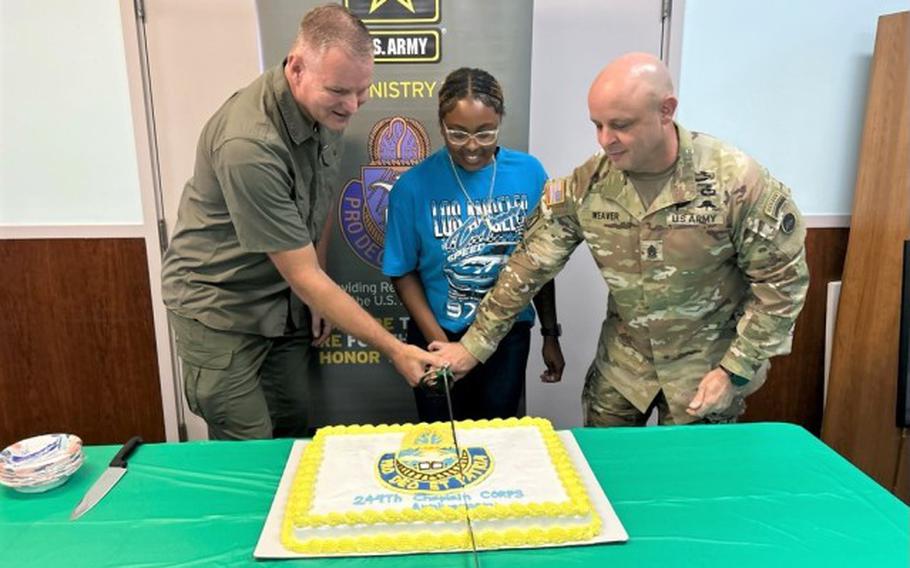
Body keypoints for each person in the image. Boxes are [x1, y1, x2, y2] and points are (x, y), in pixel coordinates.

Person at [431, 53, 809, 426]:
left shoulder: (736, 182)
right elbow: (529, 266)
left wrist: (735, 369)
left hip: (706, 370)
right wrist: (473, 346)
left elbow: (781, 285)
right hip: (623, 367)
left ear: (666, 111)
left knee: (685, 480)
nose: (605, 140)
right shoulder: (588, 184)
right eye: (597, 125)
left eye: (620, 125)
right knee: (602, 471)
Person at [161, 5, 442, 440]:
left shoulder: (325, 110)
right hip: (221, 309)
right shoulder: (249, 144)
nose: (352, 106)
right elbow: (304, 274)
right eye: (339, 91)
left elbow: (318, 201)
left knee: (292, 435)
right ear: (296, 68)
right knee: (250, 451)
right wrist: (395, 350)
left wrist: (315, 290)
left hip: (285, 301)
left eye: (362, 90)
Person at [382, 67, 565, 421]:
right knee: (440, 439)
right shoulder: (413, 186)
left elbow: (542, 263)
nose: (471, 146)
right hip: (437, 334)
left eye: (485, 133)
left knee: (498, 440)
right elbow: (402, 272)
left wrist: (550, 333)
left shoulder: (529, 173)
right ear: (440, 125)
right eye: (457, 133)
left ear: (500, 121)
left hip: (507, 336)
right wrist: (441, 346)